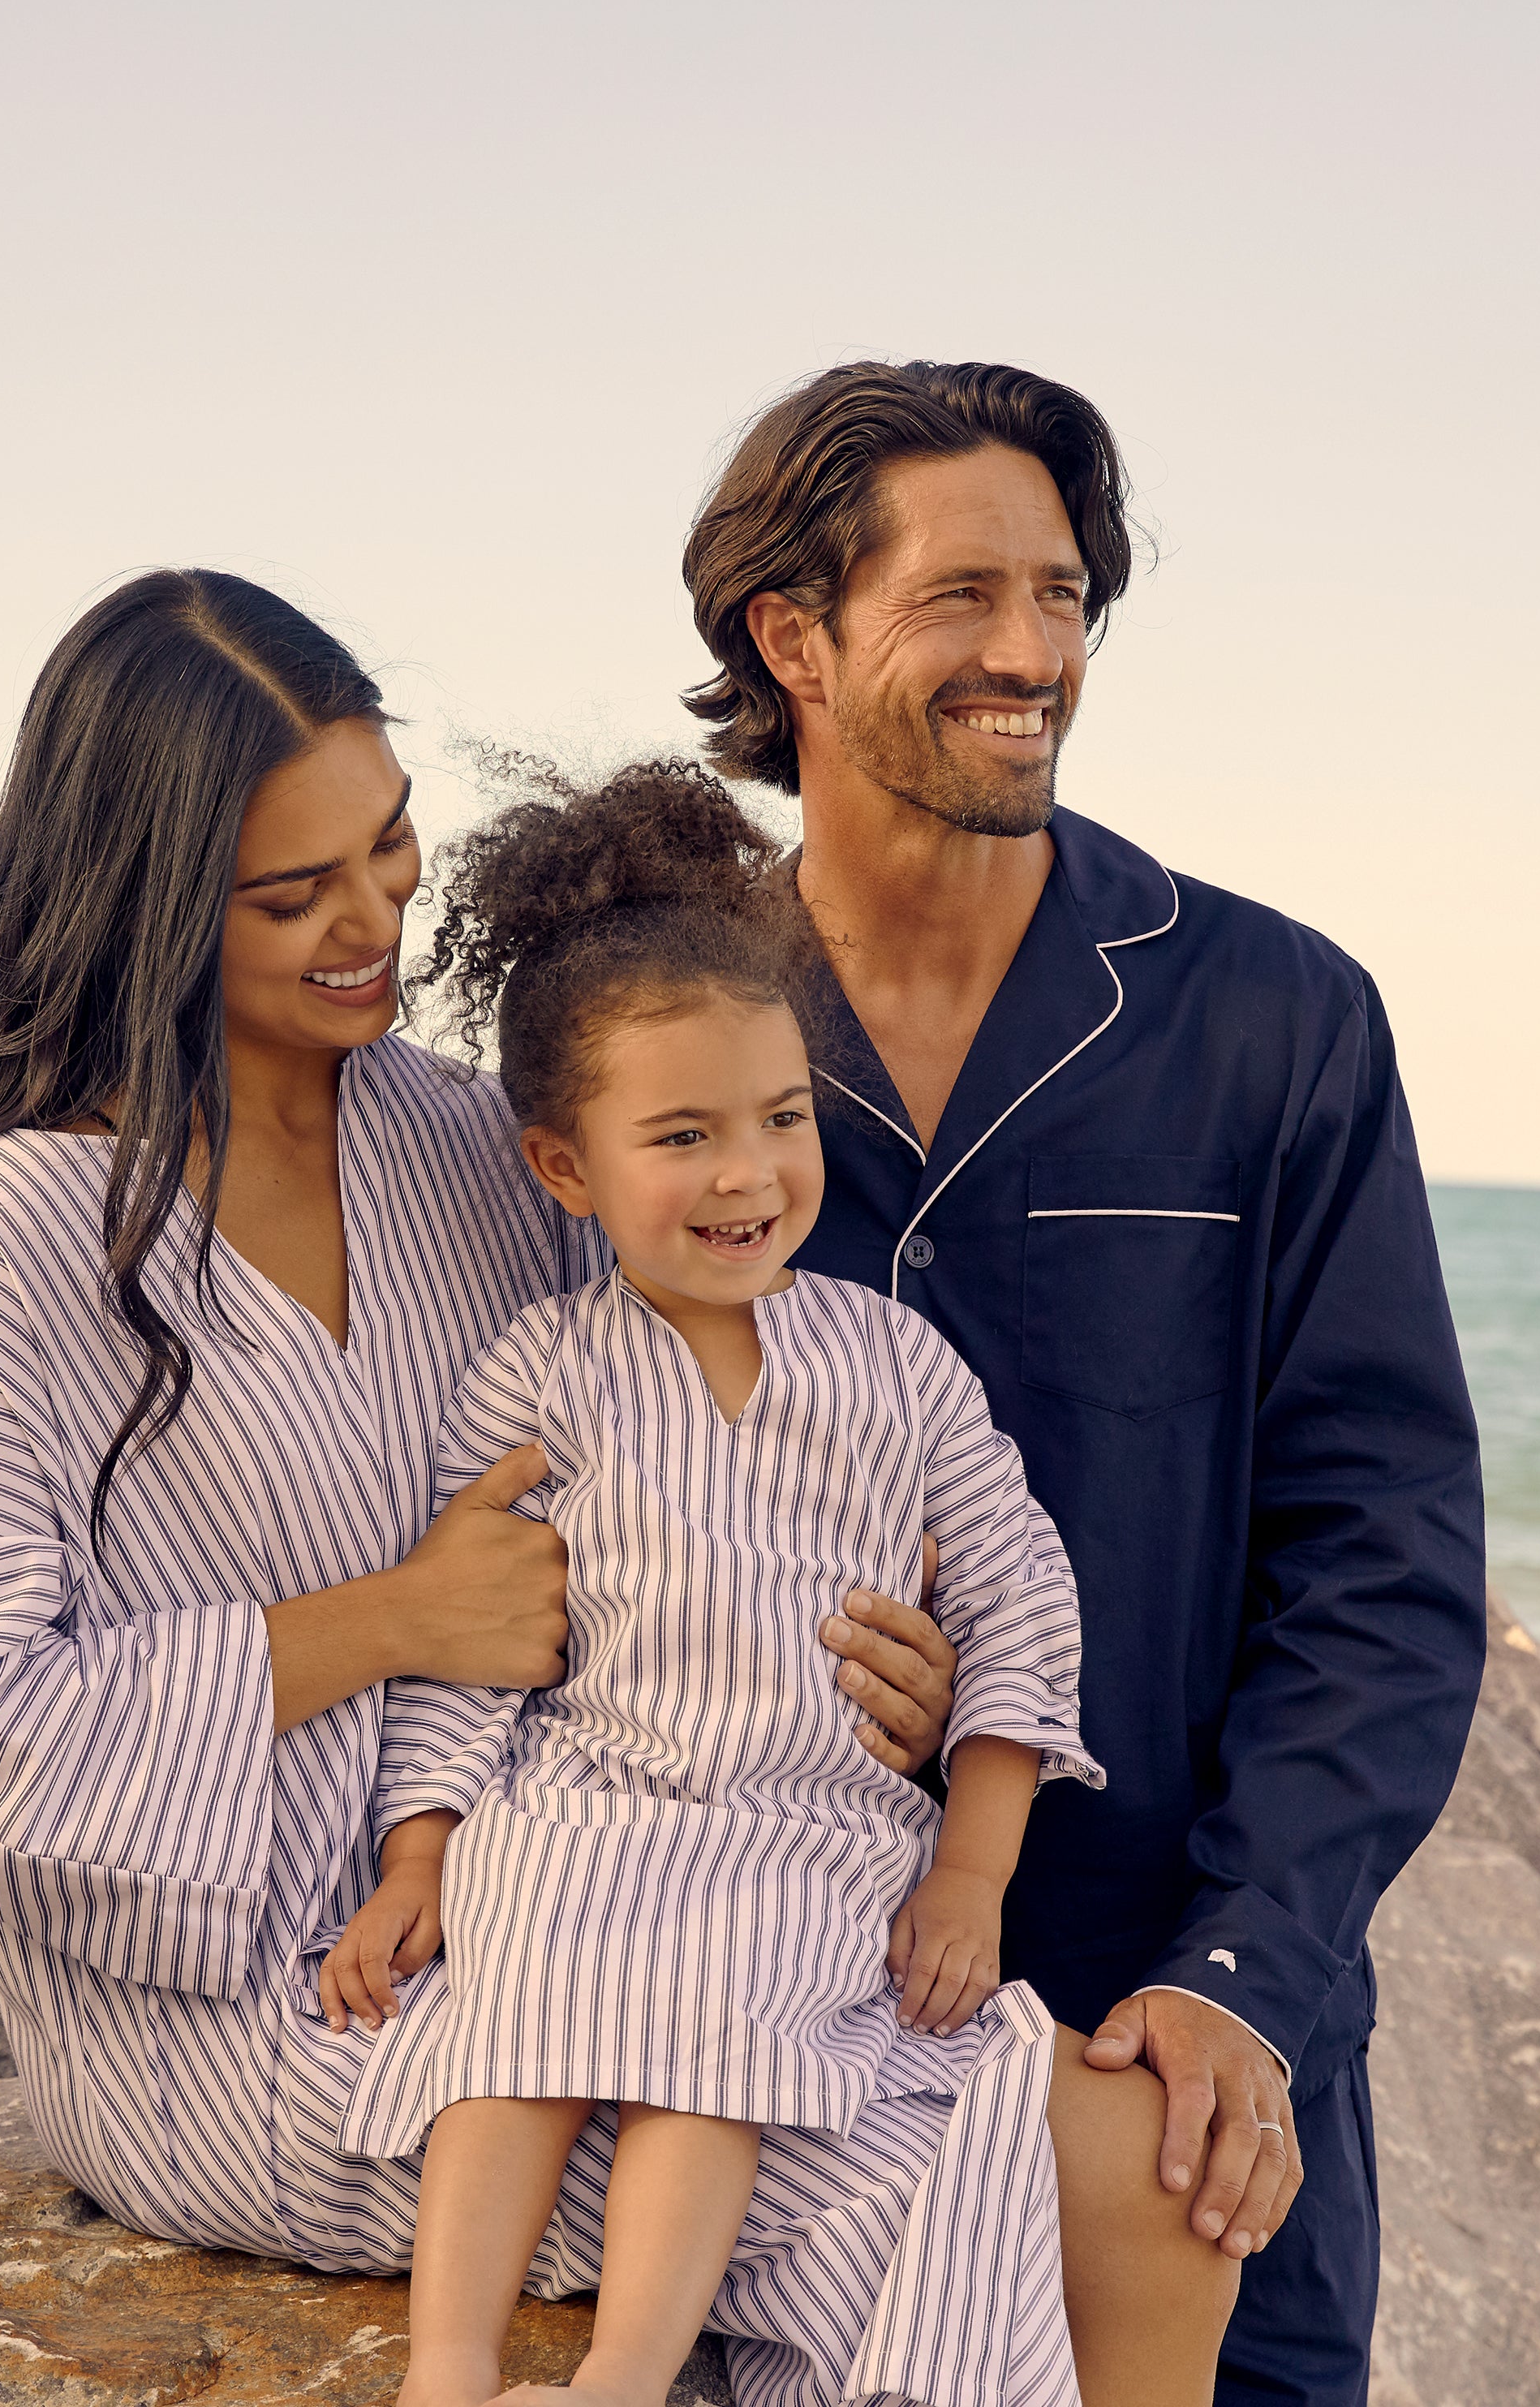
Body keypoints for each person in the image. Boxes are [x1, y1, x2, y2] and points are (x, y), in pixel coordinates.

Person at [0, 568, 1234, 2407]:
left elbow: (681, 1463)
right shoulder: (7, 1243)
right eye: (288, 892)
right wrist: (389, 1625)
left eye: (390, 846)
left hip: (592, 1878)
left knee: (1141, 2163)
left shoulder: (466, 1139)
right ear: (145, 901)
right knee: (1051, 2170)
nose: (368, 921)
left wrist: (901, 1680)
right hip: (268, 2006)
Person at [678, 360, 1486, 2406]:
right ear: (796, 637)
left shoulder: (1276, 1020)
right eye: (963, 598)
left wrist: (1245, 1977)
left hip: (1184, 2057)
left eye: (1063, 596)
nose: (1032, 651)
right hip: (775, 2064)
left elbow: (1385, 1565)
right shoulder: (668, 1039)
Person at [319, 761, 1110, 2407]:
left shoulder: (895, 1364)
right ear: (563, 1168)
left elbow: (1024, 1598)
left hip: (803, 1827)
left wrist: (971, 1871)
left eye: (781, 1120)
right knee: (507, 1994)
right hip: (592, 1797)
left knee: (722, 2028)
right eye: (683, 1137)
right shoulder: (537, 1378)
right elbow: (471, 1656)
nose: (749, 1176)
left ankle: (625, 2374)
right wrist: (421, 1862)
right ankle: (448, 2369)